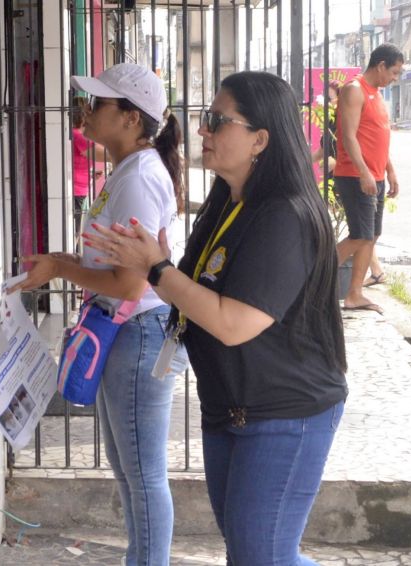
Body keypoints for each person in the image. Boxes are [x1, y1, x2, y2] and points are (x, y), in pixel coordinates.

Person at [84, 71, 348, 565]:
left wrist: (156, 269)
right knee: (255, 551)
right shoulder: (228, 202)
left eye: (216, 121)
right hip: (230, 408)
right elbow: (193, 291)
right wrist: (160, 262)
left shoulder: (283, 215)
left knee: (259, 554)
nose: (200, 131)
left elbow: (233, 323)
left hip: (284, 414)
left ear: (260, 140)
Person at [10, 63, 185, 566]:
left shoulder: (138, 178)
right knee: (129, 468)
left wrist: (62, 270)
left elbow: (132, 280)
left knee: (142, 471)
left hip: (137, 330)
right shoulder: (130, 171)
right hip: (124, 329)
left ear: (131, 118)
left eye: (100, 104)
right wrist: (63, 263)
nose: (86, 112)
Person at [334, 44, 403, 313]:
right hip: (355, 174)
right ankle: (310, 277)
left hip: (375, 175)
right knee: (360, 235)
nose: (395, 78)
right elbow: (348, 136)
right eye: (394, 72)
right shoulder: (355, 89)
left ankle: (354, 294)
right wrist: (363, 171)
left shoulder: (376, 94)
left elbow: (378, 137)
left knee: (371, 235)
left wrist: (390, 170)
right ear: (380, 66)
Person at [72, 97, 108, 239]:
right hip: (76, 192)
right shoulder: (78, 136)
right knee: (74, 233)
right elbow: (107, 155)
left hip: (77, 189)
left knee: (75, 231)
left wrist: (90, 174)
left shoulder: (73, 135)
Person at [310, 80, 341, 173]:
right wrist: (302, 163)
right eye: (325, 98)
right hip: (330, 178)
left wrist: (336, 162)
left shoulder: (347, 121)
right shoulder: (330, 121)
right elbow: (322, 151)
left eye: (329, 98)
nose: (326, 102)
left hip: (345, 177)